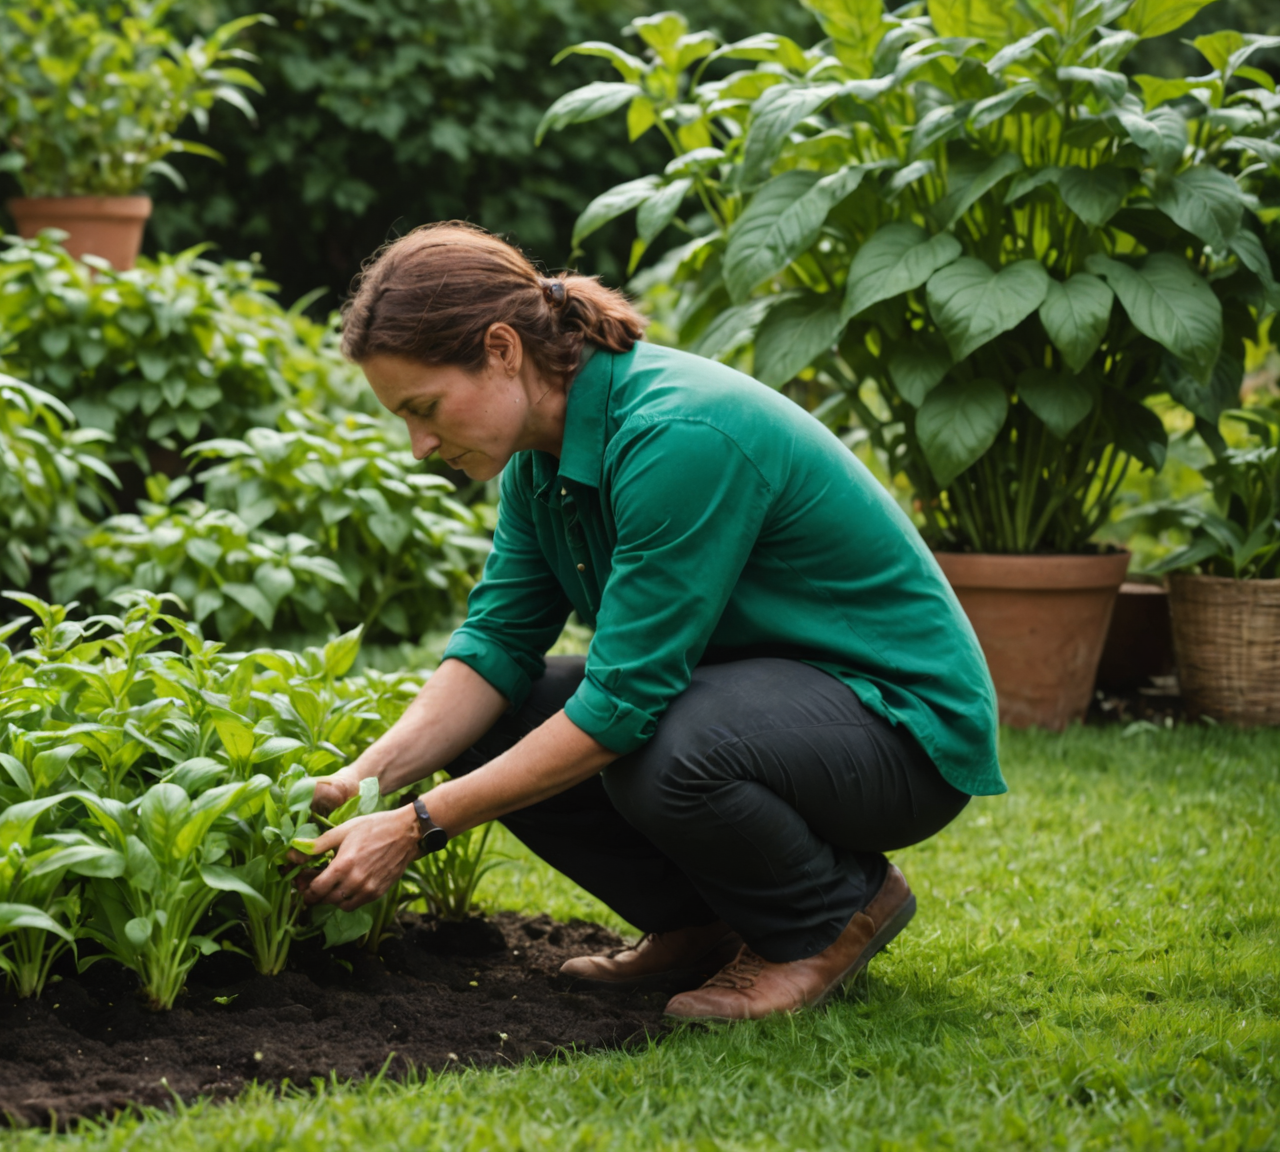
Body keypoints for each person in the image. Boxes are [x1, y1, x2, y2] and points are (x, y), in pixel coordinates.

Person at [294, 223, 1002, 1021]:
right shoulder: (538, 463)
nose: (419, 444)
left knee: (659, 747)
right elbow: (495, 647)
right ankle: (701, 924)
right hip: (760, 709)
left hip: (897, 727)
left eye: (425, 408)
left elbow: (623, 706)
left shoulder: (675, 435)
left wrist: (419, 824)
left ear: (501, 350)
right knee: (506, 719)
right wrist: (363, 782)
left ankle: (825, 918)